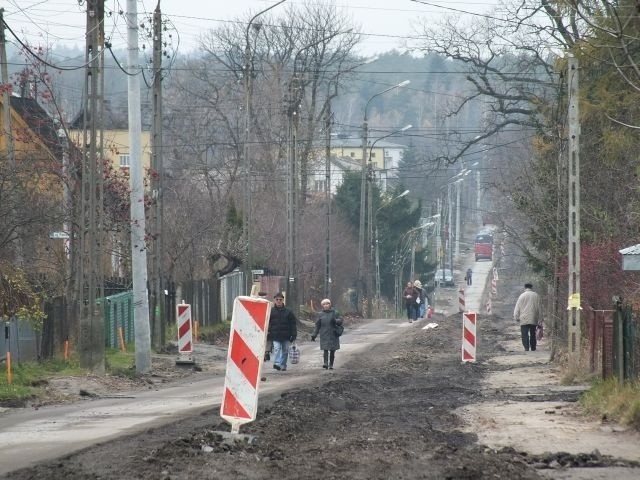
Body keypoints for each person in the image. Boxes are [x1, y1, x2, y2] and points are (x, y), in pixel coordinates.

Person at [267, 292, 297, 371]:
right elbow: (267, 323)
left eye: (280, 299)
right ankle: (277, 363)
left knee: (285, 350)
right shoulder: (271, 311)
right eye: (277, 299)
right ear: (274, 300)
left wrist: (294, 335)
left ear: (283, 300)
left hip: (286, 335)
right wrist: (267, 332)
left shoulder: (289, 312)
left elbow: (293, 324)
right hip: (275, 335)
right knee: (277, 349)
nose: (279, 301)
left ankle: (283, 365)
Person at [311, 298, 343, 369]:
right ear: (322, 306)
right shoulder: (320, 314)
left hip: (333, 334)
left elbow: (340, 321)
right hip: (324, 334)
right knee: (325, 349)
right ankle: (325, 363)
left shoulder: (335, 312)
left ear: (330, 304)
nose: (326, 305)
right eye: (324, 304)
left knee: (332, 350)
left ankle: (331, 364)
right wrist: (314, 335)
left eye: (327, 304)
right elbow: (317, 326)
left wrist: (335, 320)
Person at [513, 283, 543, 351]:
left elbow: (517, 307)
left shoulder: (521, 296)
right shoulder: (536, 295)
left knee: (524, 334)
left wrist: (516, 317)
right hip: (533, 317)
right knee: (533, 334)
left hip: (523, 318)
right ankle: (533, 347)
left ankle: (526, 348)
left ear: (525, 288)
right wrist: (541, 318)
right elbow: (540, 308)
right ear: (531, 288)